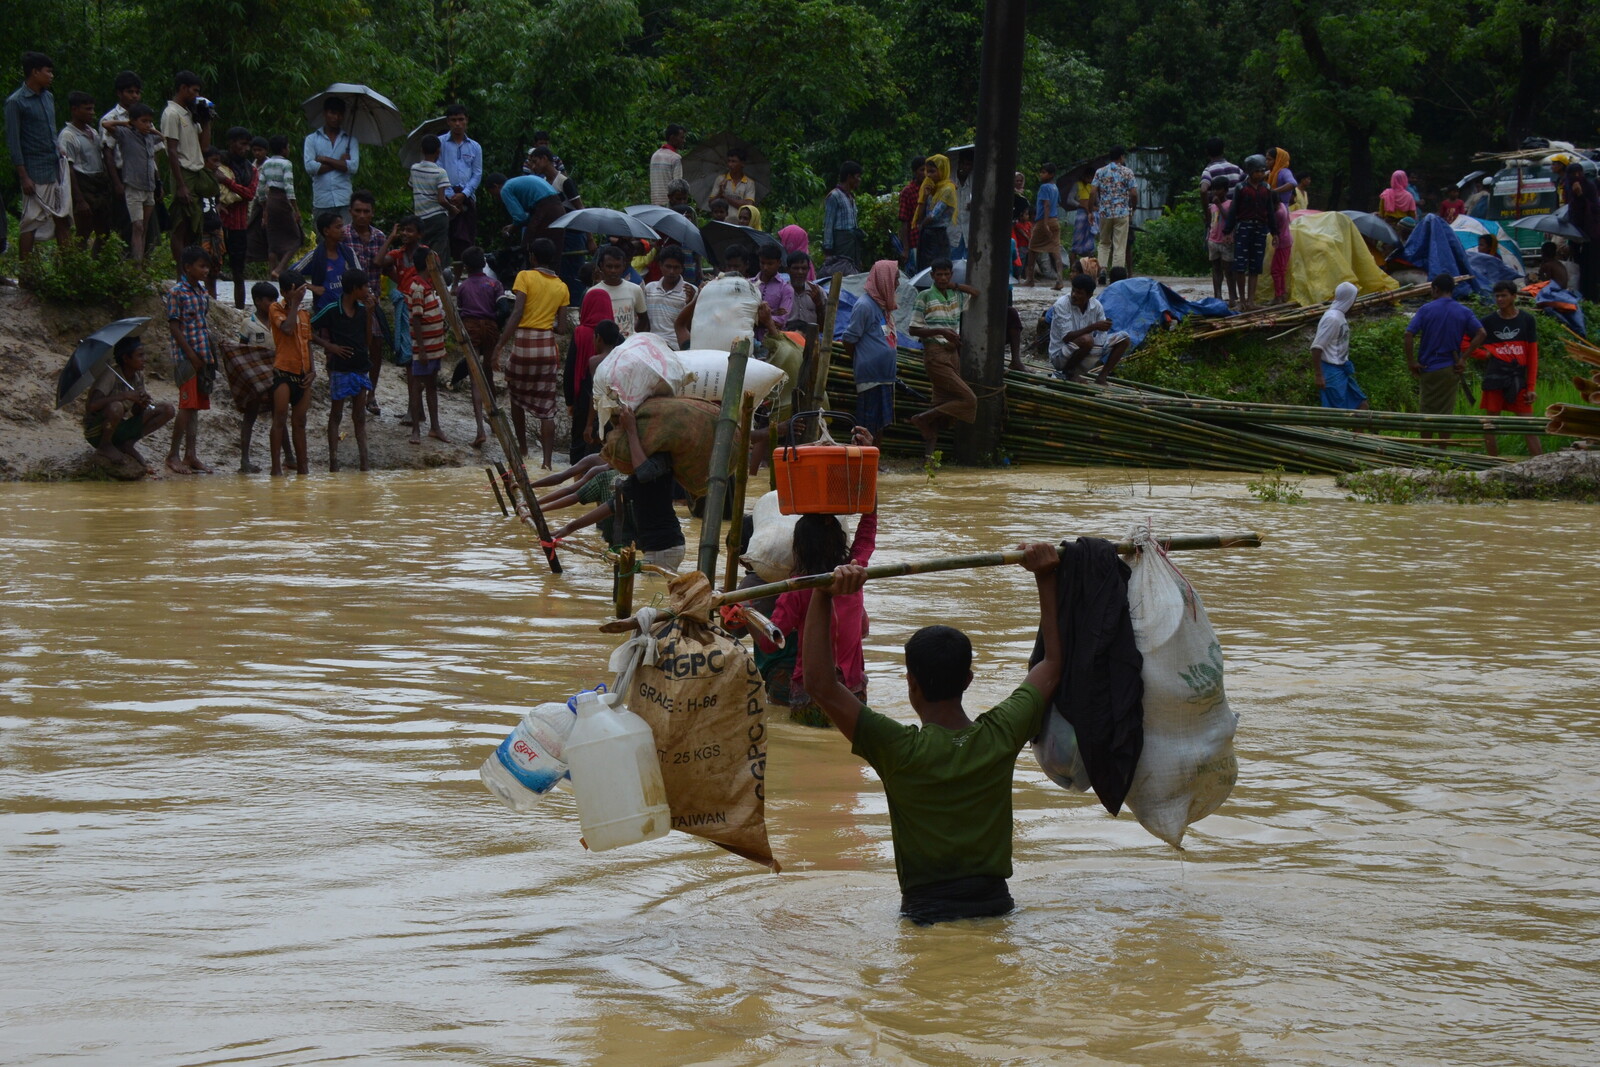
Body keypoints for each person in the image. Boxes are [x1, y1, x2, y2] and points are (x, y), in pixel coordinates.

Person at [799, 540, 1062, 924]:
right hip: (996, 909)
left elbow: (820, 684)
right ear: (969, 680)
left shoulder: (898, 749)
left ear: (911, 684)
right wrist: (1045, 575)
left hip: (925, 914)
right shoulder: (1001, 733)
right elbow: (1053, 663)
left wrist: (823, 594)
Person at [755, 466, 877, 726]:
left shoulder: (797, 588)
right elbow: (867, 533)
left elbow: (770, 641)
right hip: (854, 693)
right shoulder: (855, 571)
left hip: (810, 694)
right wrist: (867, 479)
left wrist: (746, 613)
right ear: (839, 541)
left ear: (798, 548)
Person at [494, 238, 570, 467]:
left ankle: (524, 450)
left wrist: (498, 347)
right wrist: (546, 324)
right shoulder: (562, 286)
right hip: (547, 346)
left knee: (516, 396)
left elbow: (517, 313)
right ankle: (547, 463)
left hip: (525, 343)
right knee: (547, 407)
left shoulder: (524, 276)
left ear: (532, 256)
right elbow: (563, 328)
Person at [908, 258, 979, 460]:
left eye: (946, 274)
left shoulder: (956, 295)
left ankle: (929, 461)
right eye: (939, 274)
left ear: (951, 275)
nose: (942, 278)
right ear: (932, 276)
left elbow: (977, 293)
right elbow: (913, 329)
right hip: (935, 355)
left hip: (952, 354)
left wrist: (954, 285)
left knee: (939, 406)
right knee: (969, 399)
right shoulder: (925, 296)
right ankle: (921, 419)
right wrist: (940, 330)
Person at [1405, 273, 1488, 438]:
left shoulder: (1426, 309)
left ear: (1435, 289)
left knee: (1427, 412)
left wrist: (1411, 362)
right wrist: (1464, 358)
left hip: (1428, 367)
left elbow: (1408, 334)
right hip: (1450, 367)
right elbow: (1481, 333)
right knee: (1446, 413)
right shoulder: (1463, 310)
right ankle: (1443, 451)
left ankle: (1427, 450)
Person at [7, 52, 71, 258]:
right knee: (31, 222)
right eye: (48, 71)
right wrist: (23, 176)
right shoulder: (16, 102)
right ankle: (26, 274)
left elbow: (50, 132)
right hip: (34, 170)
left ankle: (71, 270)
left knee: (62, 218)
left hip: (54, 168)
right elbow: (14, 143)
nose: (51, 75)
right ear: (34, 72)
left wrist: (58, 149)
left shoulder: (48, 97)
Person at [313, 268, 377, 471]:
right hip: (339, 369)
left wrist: (369, 315)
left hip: (359, 368)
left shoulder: (362, 310)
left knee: (359, 416)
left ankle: (364, 463)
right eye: (365, 286)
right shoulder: (333, 309)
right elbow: (307, 328)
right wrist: (330, 347)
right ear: (355, 289)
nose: (368, 289)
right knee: (337, 414)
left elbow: (367, 342)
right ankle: (333, 463)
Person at [1469, 279, 1542, 457]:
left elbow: (1532, 355)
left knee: (1528, 425)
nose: (1500, 299)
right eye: (1497, 296)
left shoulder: (1527, 320)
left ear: (1514, 297)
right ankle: (1492, 462)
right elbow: (1465, 342)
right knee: (1490, 424)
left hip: (1518, 378)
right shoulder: (1488, 322)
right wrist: (1483, 354)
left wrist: (1531, 387)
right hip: (1495, 378)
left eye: (1504, 295)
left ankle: (1541, 463)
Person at [162, 245, 218, 474]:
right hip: (187, 358)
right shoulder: (177, 292)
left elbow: (201, 324)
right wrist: (192, 355)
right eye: (201, 266)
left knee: (194, 407)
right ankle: (173, 455)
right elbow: (175, 327)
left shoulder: (200, 292)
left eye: (207, 266)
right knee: (186, 406)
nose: (206, 270)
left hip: (202, 355)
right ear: (188, 267)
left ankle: (190, 455)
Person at [82, 335, 173, 475]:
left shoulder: (138, 376)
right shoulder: (110, 375)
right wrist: (124, 396)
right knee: (116, 406)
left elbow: (135, 412)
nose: (144, 359)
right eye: (140, 355)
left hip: (118, 425)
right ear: (126, 358)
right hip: (97, 430)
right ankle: (104, 445)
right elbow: (92, 406)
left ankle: (128, 443)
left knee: (167, 409)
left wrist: (141, 403)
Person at [611, 405, 687, 571]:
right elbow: (611, 506)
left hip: (664, 548)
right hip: (661, 548)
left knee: (653, 595)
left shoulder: (661, 458)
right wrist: (567, 529)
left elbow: (644, 473)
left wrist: (631, 430)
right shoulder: (636, 474)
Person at [231, 280, 291, 473]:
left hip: (276, 374)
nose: (273, 303)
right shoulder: (249, 324)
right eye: (269, 300)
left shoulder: (279, 321)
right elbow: (242, 353)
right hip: (256, 378)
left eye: (276, 299)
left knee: (279, 415)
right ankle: (244, 460)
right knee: (250, 415)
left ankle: (289, 456)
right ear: (257, 301)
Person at [842, 260, 900, 446]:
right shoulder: (864, 305)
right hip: (870, 376)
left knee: (881, 423)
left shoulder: (884, 307)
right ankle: (862, 461)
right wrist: (861, 359)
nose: (897, 284)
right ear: (884, 280)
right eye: (895, 279)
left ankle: (875, 459)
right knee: (866, 423)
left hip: (885, 375)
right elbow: (849, 339)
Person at [159, 71, 214, 270]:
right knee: (180, 226)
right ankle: (183, 273)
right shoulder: (171, 113)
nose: (196, 95)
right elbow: (171, 151)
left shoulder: (188, 113)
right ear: (183, 88)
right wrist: (181, 185)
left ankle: (192, 271)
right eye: (194, 90)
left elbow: (205, 147)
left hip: (196, 172)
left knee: (194, 227)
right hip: (183, 173)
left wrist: (206, 120)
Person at [456, 246, 505, 448]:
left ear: (466, 267)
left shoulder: (463, 287)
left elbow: (459, 312)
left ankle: (479, 430)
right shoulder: (494, 284)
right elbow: (503, 309)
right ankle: (494, 423)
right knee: (488, 374)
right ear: (484, 264)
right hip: (491, 327)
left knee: (475, 377)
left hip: (471, 327)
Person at [268, 270, 315, 476]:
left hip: (303, 374)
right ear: (285, 292)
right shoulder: (276, 308)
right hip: (284, 373)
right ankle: (276, 467)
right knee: (279, 420)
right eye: (297, 292)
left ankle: (303, 468)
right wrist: (294, 304)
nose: (302, 295)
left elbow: (308, 342)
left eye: (303, 291)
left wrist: (313, 371)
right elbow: (287, 329)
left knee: (300, 422)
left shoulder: (305, 315)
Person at [344, 190, 388, 409]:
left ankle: (371, 393)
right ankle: (352, 392)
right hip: (348, 302)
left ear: (372, 214)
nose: (362, 215)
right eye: (358, 211)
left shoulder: (379, 237)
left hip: (372, 301)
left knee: (376, 344)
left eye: (366, 212)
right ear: (351, 211)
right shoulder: (342, 234)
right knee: (349, 346)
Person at [401, 247, 449, 445]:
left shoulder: (427, 286)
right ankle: (416, 430)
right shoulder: (418, 287)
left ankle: (434, 427)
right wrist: (420, 349)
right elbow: (417, 319)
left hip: (434, 346)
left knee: (430, 385)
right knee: (418, 385)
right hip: (426, 348)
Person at [1047, 273, 1131, 384]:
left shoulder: (1096, 306)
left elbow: (1102, 334)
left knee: (1124, 338)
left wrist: (1098, 349)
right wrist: (1094, 327)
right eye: (1073, 290)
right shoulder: (1062, 304)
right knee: (1087, 339)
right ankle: (1068, 373)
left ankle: (1102, 377)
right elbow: (1067, 338)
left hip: (1086, 350)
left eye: (1079, 293)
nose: (1074, 295)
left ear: (1089, 295)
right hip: (1061, 356)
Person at [563, 287, 617, 460]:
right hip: (612, 402)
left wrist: (570, 401)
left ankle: (577, 482)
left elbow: (570, 370)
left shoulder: (580, 333)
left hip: (584, 398)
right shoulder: (617, 336)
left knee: (579, 445)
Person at [527, 146, 587, 295]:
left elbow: (580, 208)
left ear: (545, 159)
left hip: (573, 234)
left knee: (573, 275)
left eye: (535, 162)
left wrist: (589, 238)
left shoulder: (564, 182)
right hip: (556, 235)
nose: (533, 167)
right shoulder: (543, 183)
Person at [210, 126, 257, 308]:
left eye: (248, 145)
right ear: (231, 143)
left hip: (238, 225)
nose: (246, 149)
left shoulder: (250, 170)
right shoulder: (217, 161)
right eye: (242, 144)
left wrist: (227, 181)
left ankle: (239, 311)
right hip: (218, 223)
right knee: (212, 268)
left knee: (238, 272)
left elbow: (250, 193)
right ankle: (212, 307)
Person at [106, 103, 161, 261]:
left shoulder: (150, 137)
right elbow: (106, 125)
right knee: (137, 226)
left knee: (143, 227)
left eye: (149, 121)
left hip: (148, 186)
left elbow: (161, 136)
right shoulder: (125, 134)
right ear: (133, 121)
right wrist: (126, 124)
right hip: (133, 186)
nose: (147, 125)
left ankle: (141, 261)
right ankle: (135, 265)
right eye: (143, 121)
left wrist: (149, 128)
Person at [60, 91, 111, 250]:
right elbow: (68, 168)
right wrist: (80, 199)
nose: (92, 113)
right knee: (84, 229)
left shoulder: (93, 132)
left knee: (104, 231)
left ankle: (98, 267)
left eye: (92, 109)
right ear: (75, 110)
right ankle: (77, 268)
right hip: (83, 184)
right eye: (87, 109)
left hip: (98, 183)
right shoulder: (68, 135)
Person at [98, 70, 144, 248]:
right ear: (119, 93)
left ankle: (140, 261)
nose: (134, 96)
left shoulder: (143, 117)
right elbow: (107, 152)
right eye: (130, 92)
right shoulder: (111, 118)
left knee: (143, 223)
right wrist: (116, 182)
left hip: (143, 176)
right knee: (124, 222)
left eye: (137, 92)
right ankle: (123, 263)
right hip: (122, 174)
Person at [1223, 154, 1274, 311]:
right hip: (1244, 227)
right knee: (1240, 264)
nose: (1260, 174)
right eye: (1257, 171)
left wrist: (1275, 232)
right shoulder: (1241, 188)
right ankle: (1242, 301)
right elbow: (1233, 210)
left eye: (1262, 171)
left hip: (1260, 228)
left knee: (1255, 265)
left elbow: (1270, 211)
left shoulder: (1267, 189)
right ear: (1250, 171)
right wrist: (1228, 231)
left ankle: (1251, 301)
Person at [1311, 282, 1368, 410]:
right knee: (1337, 412)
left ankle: (1356, 431)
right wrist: (1319, 375)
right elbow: (1316, 348)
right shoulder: (1332, 319)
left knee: (1361, 405)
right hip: (1331, 371)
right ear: (1349, 298)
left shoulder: (1339, 316)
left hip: (1341, 370)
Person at [303, 95, 357, 223]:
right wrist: (340, 163)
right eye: (332, 113)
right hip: (322, 201)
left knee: (345, 238)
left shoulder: (350, 140)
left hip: (344, 199)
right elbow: (310, 167)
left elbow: (353, 167)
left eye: (339, 114)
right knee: (323, 240)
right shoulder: (312, 139)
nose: (336, 118)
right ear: (325, 113)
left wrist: (325, 159)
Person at [293, 211, 360, 313]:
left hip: (348, 309)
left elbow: (360, 276)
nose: (343, 230)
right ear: (326, 231)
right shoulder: (314, 256)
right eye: (338, 227)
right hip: (325, 310)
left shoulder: (348, 252)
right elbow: (290, 274)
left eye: (343, 226)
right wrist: (312, 287)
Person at [439, 104, 482, 257]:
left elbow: (477, 174)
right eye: (454, 120)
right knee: (447, 240)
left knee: (467, 241)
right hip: (445, 199)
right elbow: (439, 169)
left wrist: (464, 194)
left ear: (466, 121)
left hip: (467, 199)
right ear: (448, 122)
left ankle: (465, 274)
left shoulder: (475, 146)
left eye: (461, 119)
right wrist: (450, 195)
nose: (457, 123)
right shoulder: (440, 143)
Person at [1090, 146, 1137, 278]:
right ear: (1121, 157)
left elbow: (1093, 191)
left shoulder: (1100, 171)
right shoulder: (1127, 172)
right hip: (1122, 212)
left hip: (1105, 212)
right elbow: (1133, 193)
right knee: (1119, 245)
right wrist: (1133, 207)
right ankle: (1117, 274)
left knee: (1104, 242)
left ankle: (1103, 269)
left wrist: (1090, 210)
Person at [258, 135, 301, 280]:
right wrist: (295, 209)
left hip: (270, 200)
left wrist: (264, 207)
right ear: (284, 149)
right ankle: (280, 268)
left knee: (273, 237)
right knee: (296, 238)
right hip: (282, 199)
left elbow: (260, 187)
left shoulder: (266, 163)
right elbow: (289, 187)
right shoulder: (286, 164)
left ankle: (272, 272)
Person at [409, 135, 456, 257]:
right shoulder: (440, 172)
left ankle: (421, 275)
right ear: (438, 151)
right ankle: (436, 275)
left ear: (422, 150)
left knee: (421, 251)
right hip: (437, 217)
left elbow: (411, 185)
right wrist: (452, 209)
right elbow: (441, 199)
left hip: (420, 217)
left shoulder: (414, 169)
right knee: (437, 254)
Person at [591, 245, 649, 336]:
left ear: (623, 266)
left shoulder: (635, 289)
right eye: (609, 266)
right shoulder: (593, 293)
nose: (613, 270)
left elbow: (644, 319)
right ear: (601, 266)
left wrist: (633, 339)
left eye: (617, 266)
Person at [644, 246, 696, 348]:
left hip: (677, 347)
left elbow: (692, 328)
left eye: (676, 267)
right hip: (652, 345)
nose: (672, 271)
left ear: (682, 268)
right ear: (660, 266)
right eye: (668, 267)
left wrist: (690, 303)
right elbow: (645, 322)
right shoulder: (649, 289)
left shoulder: (691, 291)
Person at [913, 154, 959, 264]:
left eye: (932, 171)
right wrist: (924, 196)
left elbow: (934, 215)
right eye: (927, 172)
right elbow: (921, 214)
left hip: (938, 236)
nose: (928, 175)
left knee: (938, 267)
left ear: (942, 170)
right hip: (928, 233)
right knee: (924, 268)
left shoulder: (948, 189)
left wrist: (922, 226)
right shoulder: (933, 188)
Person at [1025, 161, 1063, 288]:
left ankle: (1030, 279)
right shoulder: (1055, 187)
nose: (1041, 175)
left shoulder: (1044, 188)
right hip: (1055, 220)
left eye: (1044, 172)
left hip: (1043, 221)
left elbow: (1046, 205)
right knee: (1055, 249)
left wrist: (1045, 223)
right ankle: (1060, 279)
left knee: (1032, 249)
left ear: (1051, 174)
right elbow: (1056, 204)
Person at [822, 161, 864, 276]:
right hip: (841, 243)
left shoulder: (851, 197)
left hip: (852, 242)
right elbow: (828, 225)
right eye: (857, 177)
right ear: (849, 177)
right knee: (841, 273)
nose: (859, 180)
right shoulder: (834, 196)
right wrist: (828, 251)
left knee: (853, 272)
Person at [1205, 178, 1238, 305]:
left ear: (1225, 190)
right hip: (1213, 240)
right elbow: (1210, 222)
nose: (1215, 192)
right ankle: (1217, 295)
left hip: (1226, 241)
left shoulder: (1230, 204)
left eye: (1218, 189)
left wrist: (1219, 204)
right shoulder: (1211, 206)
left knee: (1228, 270)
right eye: (1213, 189)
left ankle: (1232, 297)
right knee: (1216, 268)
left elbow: (1230, 219)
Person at [754, 246, 794, 342]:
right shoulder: (749, 284)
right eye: (762, 263)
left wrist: (754, 319)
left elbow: (781, 321)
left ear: (779, 263)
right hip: (749, 339)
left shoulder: (786, 289)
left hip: (772, 341)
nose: (765, 267)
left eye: (770, 264)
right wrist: (770, 316)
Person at [897, 156, 926, 268]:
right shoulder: (908, 192)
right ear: (915, 172)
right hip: (915, 240)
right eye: (922, 170)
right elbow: (904, 222)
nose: (925, 173)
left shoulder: (931, 188)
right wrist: (906, 248)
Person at [786, 250, 827, 330]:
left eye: (804, 268)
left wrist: (818, 305)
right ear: (788, 270)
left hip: (811, 338)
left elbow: (825, 326)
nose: (800, 272)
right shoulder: (782, 291)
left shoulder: (817, 291)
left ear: (808, 270)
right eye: (796, 268)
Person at [649, 123, 686, 206]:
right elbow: (678, 186)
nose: (684, 141)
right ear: (673, 137)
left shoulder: (655, 155)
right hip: (669, 205)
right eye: (682, 137)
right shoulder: (675, 158)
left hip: (655, 204)